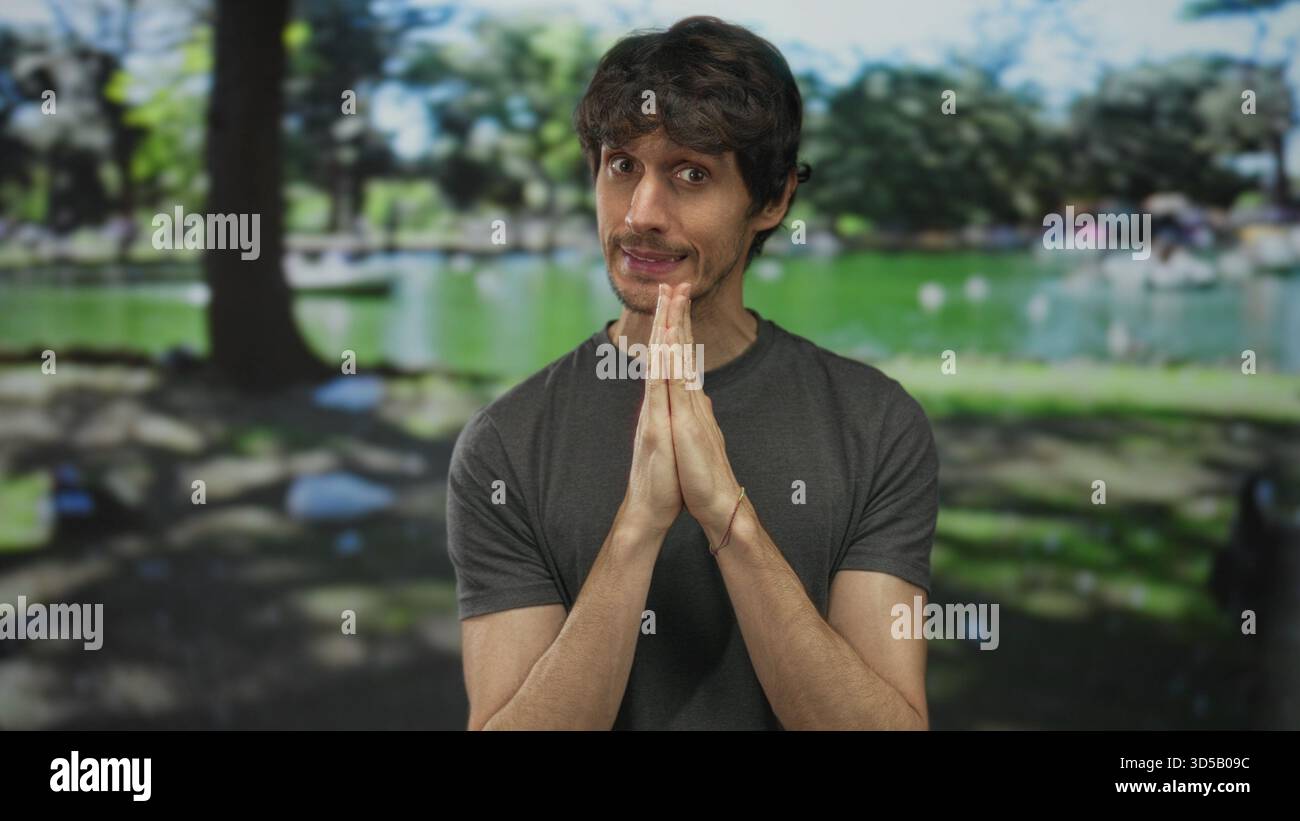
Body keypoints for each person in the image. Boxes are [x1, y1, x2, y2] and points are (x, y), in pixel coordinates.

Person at [446, 15, 939, 730]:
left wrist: (726, 518)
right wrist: (638, 525)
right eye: (622, 166)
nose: (641, 213)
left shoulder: (877, 425)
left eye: (690, 173)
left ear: (772, 202)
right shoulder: (503, 446)